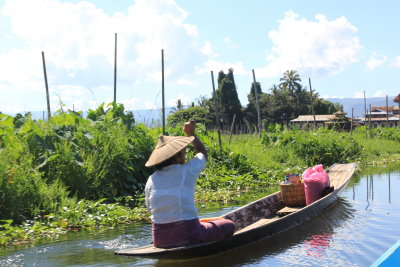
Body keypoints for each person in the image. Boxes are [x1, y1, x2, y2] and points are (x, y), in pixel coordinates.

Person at [144, 120, 235, 248]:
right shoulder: (186, 170)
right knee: (229, 225)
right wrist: (192, 134)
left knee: (202, 221)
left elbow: (150, 209)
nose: (185, 156)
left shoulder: (151, 179)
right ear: (177, 157)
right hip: (189, 235)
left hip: (160, 239)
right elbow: (202, 154)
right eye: (183, 153)